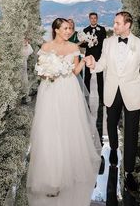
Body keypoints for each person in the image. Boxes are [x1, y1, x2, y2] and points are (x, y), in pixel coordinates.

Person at [27, 18, 100, 206]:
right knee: (50, 130)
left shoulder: (73, 47)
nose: (69, 31)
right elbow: (40, 71)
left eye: (70, 28)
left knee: (68, 129)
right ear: (56, 29)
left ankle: (68, 171)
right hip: (50, 91)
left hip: (68, 90)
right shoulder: (45, 46)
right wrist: (48, 72)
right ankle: (52, 177)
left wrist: (83, 60)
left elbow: (75, 71)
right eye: (65, 28)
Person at [85, 11, 140, 202]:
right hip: (112, 91)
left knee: (131, 132)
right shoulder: (107, 43)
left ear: (127, 25)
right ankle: (114, 148)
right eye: (114, 23)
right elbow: (102, 65)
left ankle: (129, 172)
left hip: (132, 93)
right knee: (111, 122)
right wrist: (92, 64)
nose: (113, 26)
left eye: (117, 23)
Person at [82, 12, 106, 145]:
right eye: (91, 18)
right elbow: (83, 44)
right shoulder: (85, 30)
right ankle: (87, 95)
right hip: (89, 57)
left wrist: (96, 41)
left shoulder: (102, 29)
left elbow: (103, 42)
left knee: (101, 78)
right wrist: (89, 43)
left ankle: (102, 97)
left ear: (97, 19)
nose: (93, 19)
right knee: (87, 77)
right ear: (89, 19)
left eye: (95, 18)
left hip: (99, 57)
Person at [21, 38, 34, 104]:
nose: (25, 40)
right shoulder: (17, 45)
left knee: (24, 78)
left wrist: (26, 45)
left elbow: (29, 52)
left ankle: (25, 96)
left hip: (23, 64)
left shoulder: (28, 46)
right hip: (18, 64)